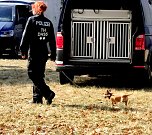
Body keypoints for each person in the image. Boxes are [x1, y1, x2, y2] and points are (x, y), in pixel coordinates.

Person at [20, 1, 56, 105]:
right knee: (39, 75)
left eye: (33, 8)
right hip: (43, 52)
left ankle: (48, 93)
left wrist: (23, 50)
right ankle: (37, 99)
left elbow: (25, 36)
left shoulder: (32, 20)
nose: (32, 10)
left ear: (36, 9)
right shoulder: (48, 22)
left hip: (34, 51)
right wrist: (53, 53)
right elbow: (52, 40)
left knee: (32, 74)